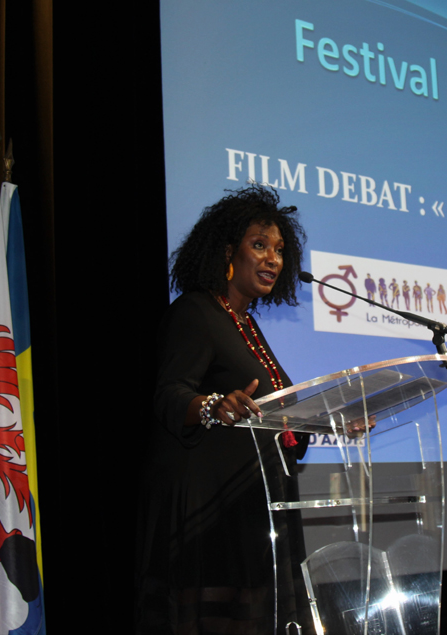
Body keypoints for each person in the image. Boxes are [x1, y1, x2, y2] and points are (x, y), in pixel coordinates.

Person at [137, 185, 311, 634]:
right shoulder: (195, 313)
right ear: (227, 251)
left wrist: (328, 420)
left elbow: (281, 414)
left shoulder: (246, 324)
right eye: (260, 246)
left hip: (253, 513)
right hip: (212, 521)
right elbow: (170, 395)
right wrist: (215, 405)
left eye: (279, 250)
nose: (274, 258)